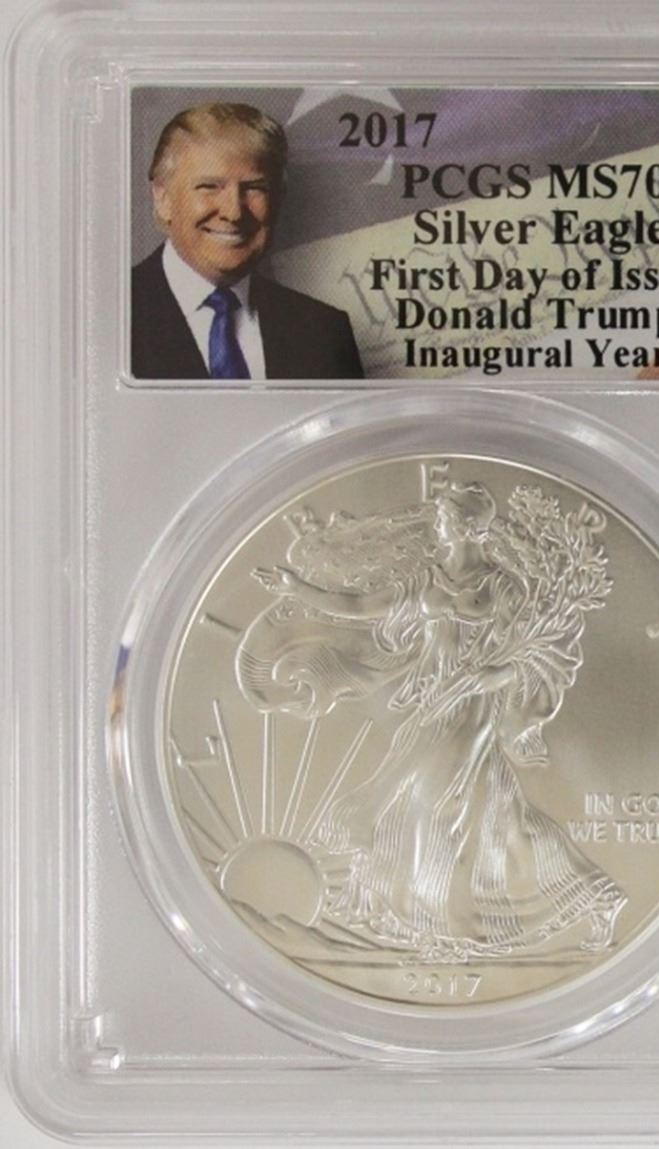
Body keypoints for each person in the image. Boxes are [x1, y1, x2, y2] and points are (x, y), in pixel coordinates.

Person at [233, 480, 623, 960]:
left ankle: (449, 926)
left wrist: (492, 675)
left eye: (444, 517)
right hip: (433, 700)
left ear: (467, 527)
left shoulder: (501, 587)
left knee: (435, 804)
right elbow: (361, 607)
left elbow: (527, 655)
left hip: (474, 708)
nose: (437, 524)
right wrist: (298, 588)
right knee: (495, 815)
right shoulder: (427, 580)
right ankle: (593, 898)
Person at [132, 102, 363, 380]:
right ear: (163, 199)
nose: (234, 212)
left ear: (277, 198)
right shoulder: (110, 315)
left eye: (254, 188)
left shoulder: (325, 332)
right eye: (209, 187)